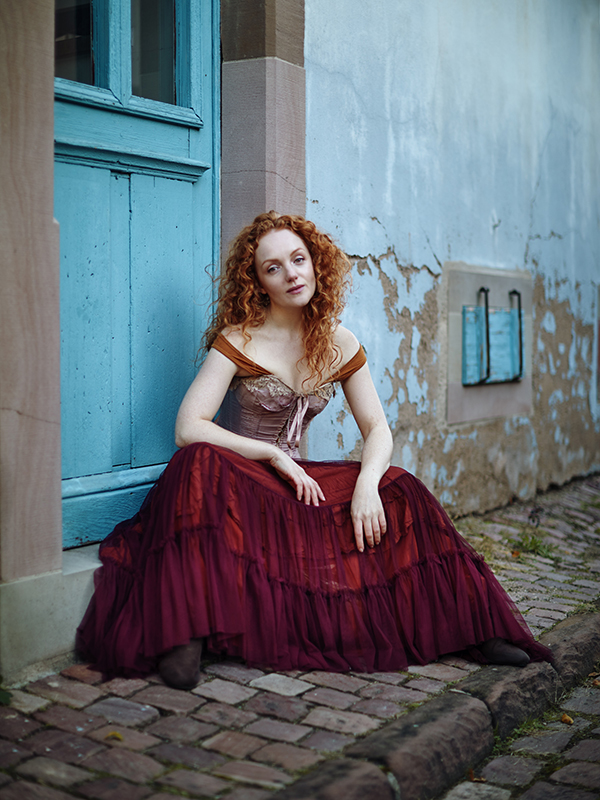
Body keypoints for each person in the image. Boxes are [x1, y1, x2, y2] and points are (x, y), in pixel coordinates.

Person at [77, 211, 552, 690]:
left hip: (298, 484)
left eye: (298, 260)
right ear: (258, 283)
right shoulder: (238, 339)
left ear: (315, 264)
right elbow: (188, 427)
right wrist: (273, 455)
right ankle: (186, 635)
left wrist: (366, 484)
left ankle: (475, 628)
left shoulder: (339, 342)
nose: (291, 274)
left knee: (400, 486)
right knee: (195, 463)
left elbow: (377, 429)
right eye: (273, 267)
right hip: (240, 482)